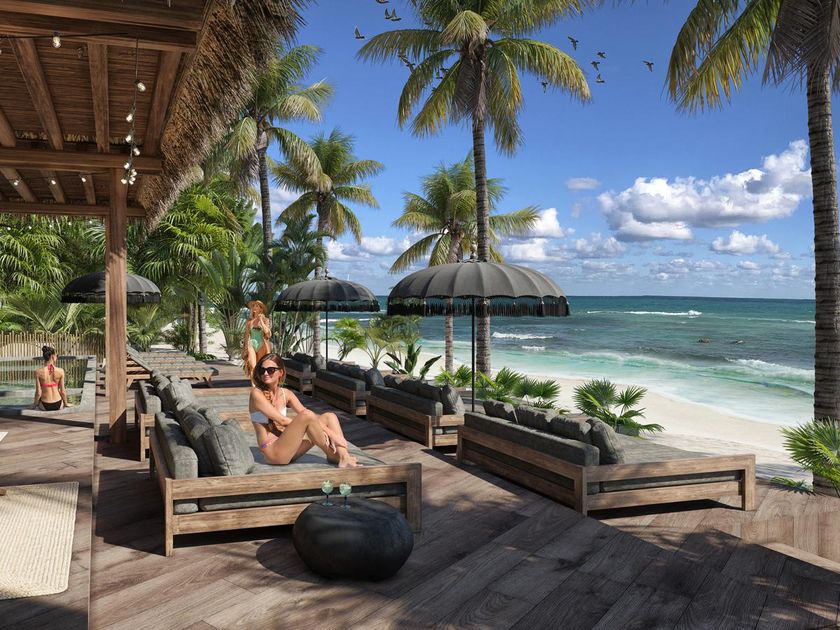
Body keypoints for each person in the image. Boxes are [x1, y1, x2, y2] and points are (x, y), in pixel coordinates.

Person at [249, 353, 359, 467]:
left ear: (280, 372)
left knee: (329, 416)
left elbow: (307, 414)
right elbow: (282, 420)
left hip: (289, 447)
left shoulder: (286, 394)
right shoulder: (256, 394)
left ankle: (342, 456)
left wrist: (318, 428)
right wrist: (331, 434)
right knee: (307, 415)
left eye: (270, 370)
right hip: (273, 452)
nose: (265, 373)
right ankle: (338, 454)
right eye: (262, 370)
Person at [33, 346, 71, 411]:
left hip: (45, 404)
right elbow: (62, 391)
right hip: (58, 404)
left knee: (38, 402)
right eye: (56, 356)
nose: (57, 357)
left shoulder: (38, 372)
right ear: (53, 357)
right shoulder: (60, 371)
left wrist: (34, 405)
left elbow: (38, 393)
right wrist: (66, 404)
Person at [242, 300, 272, 379]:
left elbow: (268, 334)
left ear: (261, 309)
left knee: (261, 365)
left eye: (257, 306)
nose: (254, 307)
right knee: (252, 365)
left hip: (262, 345)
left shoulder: (266, 320)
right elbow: (246, 335)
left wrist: (261, 321)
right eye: (253, 306)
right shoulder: (249, 322)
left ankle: (259, 382)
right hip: (251, 344)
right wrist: (245, 349)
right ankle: (253, 384)